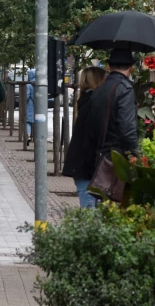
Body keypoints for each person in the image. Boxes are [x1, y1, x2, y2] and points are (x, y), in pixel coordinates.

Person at [62, 67, 107, 208]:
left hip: (83, 166)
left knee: (89, 208)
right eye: (105, 79)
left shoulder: (86, 100)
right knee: (89, 211)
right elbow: (90, 138)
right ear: (98, 80)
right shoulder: (92, 103)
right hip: (86, 167)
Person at [89, 49, 140, 160]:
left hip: (100, 153)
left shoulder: (99, 89)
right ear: (131, 68)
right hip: (117, 156)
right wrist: (134, 153)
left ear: (109, 67)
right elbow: (127, 127)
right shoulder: (125, 89)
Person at [26, 69, 36, 143]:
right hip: (39, 104)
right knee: (37, 121)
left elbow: (27, 95)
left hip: (30, 104)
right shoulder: (40, 83)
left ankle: (28, 135)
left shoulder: (29, 84)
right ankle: (37, 136)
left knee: (28, 121)